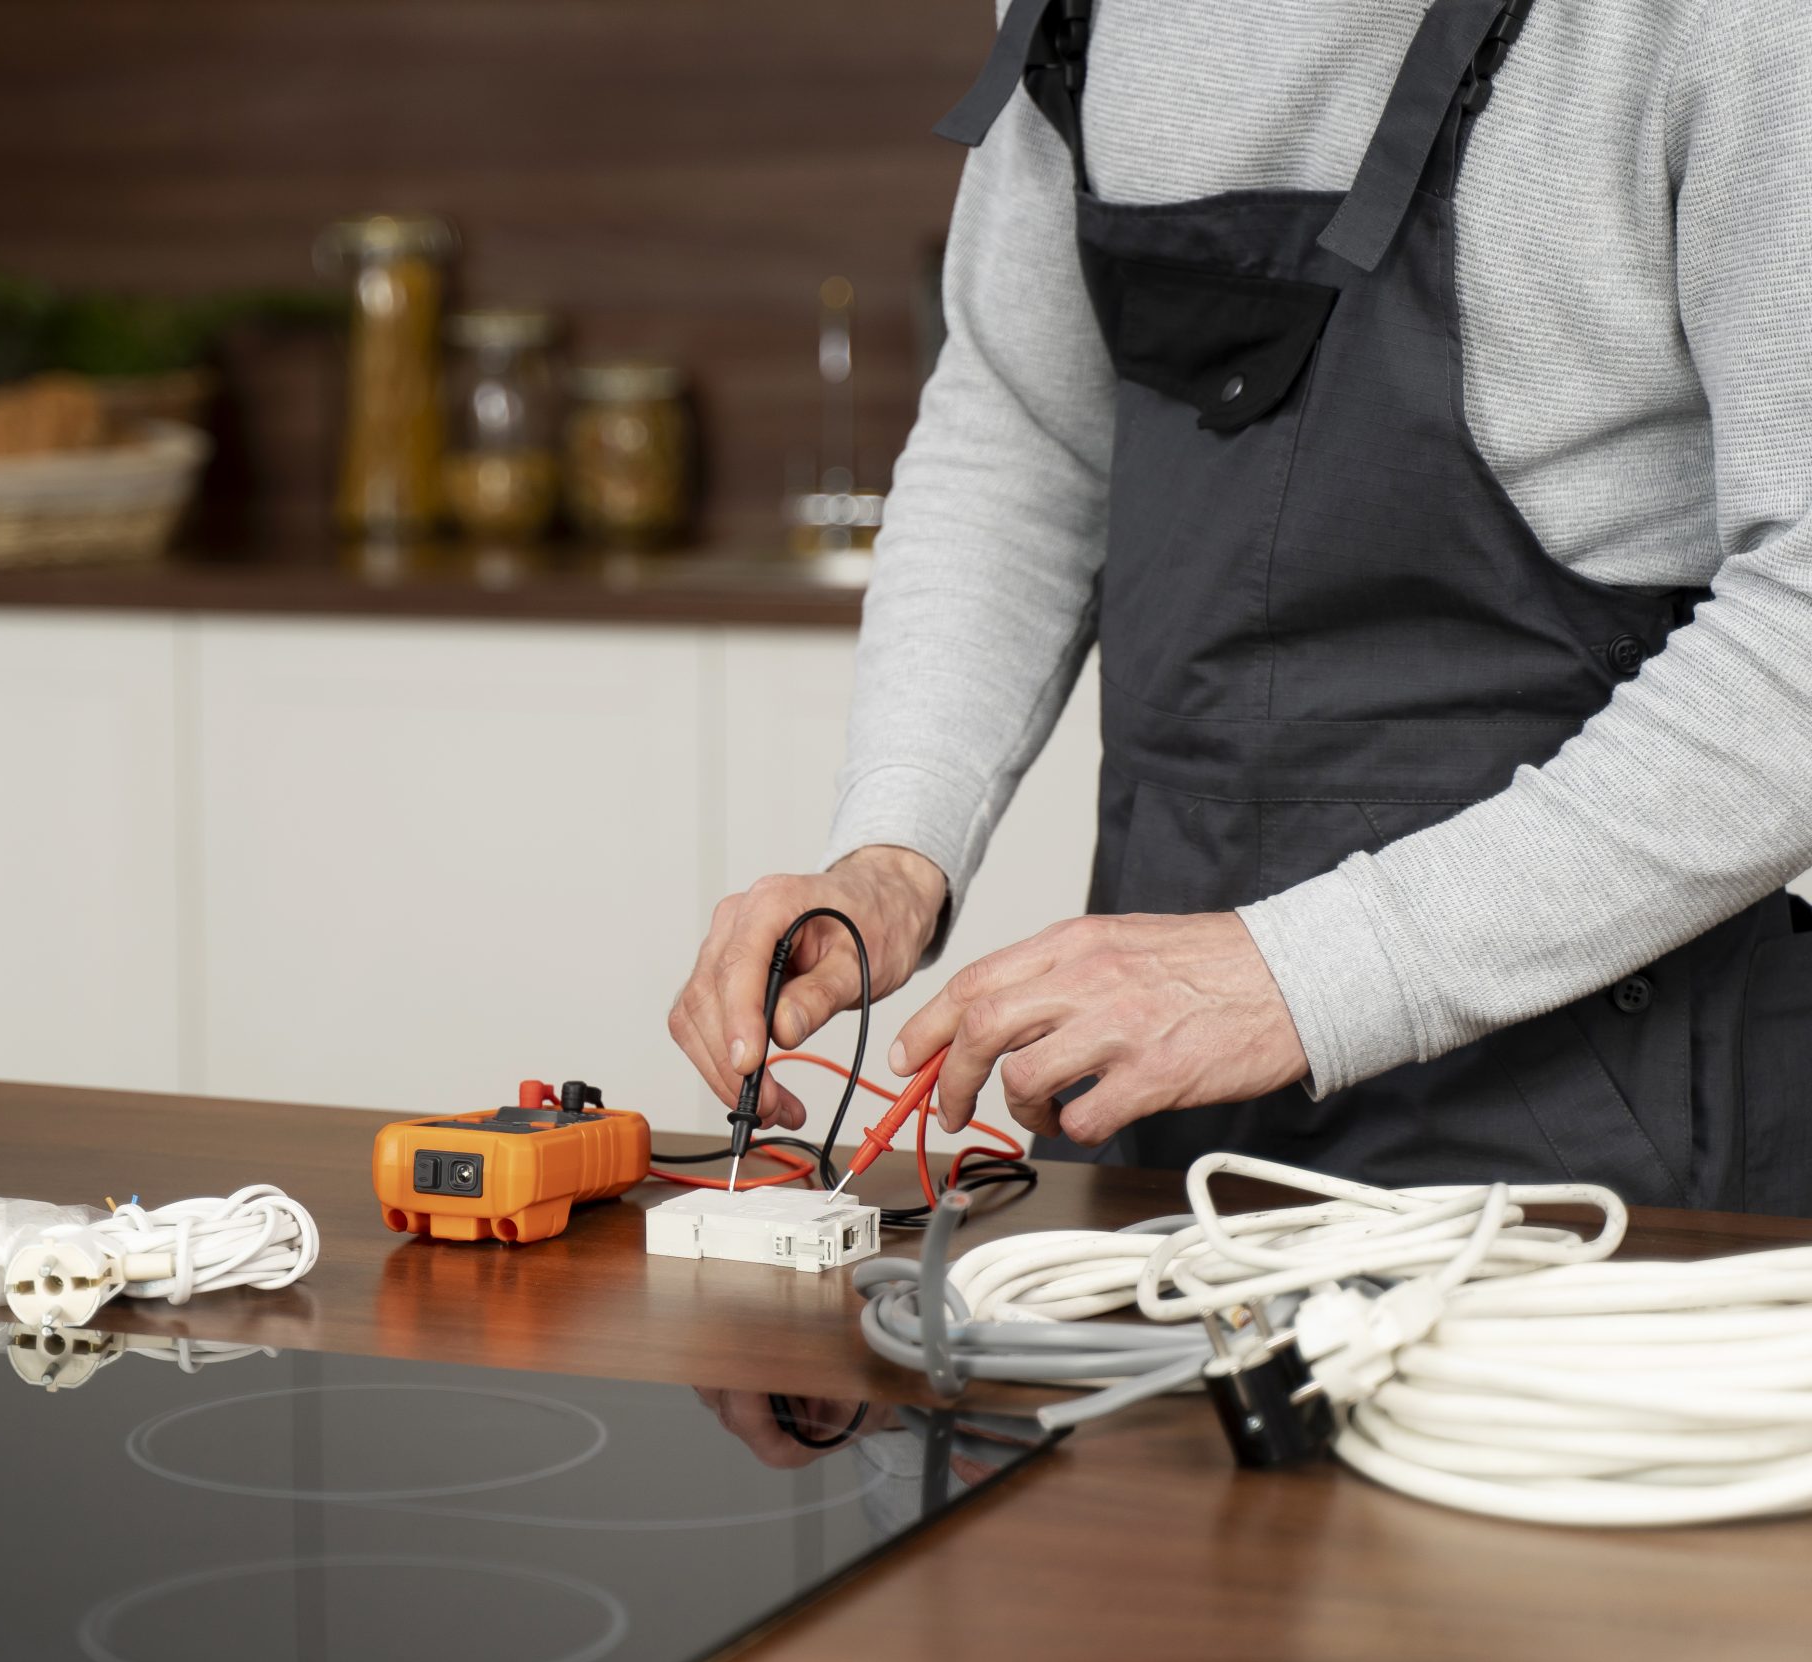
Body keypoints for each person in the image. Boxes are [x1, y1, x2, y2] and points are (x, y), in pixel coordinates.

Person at [670, 0, 1812, 1211]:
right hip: (1158, 1097)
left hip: (1606, 1133)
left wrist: (1299, 977)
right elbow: (1026, 428)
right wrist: (894, 855)